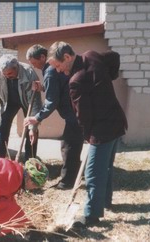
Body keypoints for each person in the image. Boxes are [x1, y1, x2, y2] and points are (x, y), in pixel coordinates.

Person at [48, 41, 128, 228]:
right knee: (106, 167)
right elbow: (114, 56)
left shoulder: (76, 81)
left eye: (58, 66)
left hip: (102, 131)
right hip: (117, 122)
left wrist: (88, 137)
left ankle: (91, 215)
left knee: (92, 173)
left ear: (67, 57)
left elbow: (83, 117)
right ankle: (104, 202)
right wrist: (109, 77)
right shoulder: (92, 55)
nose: (58, 71)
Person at [24, 44, 84, 190]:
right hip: (76, 111)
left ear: (43, 57)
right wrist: (43, 87)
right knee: (73, 146)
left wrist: (37, 118)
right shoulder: (52, 70)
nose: (33, 66)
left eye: (34, 62)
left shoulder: (50, 71)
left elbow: (51, 101)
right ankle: (75, 175)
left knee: (68, 146)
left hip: (73, 113)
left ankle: (66, 182)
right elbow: (58, 89)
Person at [0, 54, 42, 161]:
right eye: (5, 74)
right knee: (2, 126)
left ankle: (30, 160)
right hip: (8, 101)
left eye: (10, 74)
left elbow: (35, 102)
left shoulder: (29, 73)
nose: (7, 76)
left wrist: (34, 127)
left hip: (27, 101)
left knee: (30, 128)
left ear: (16, 67)